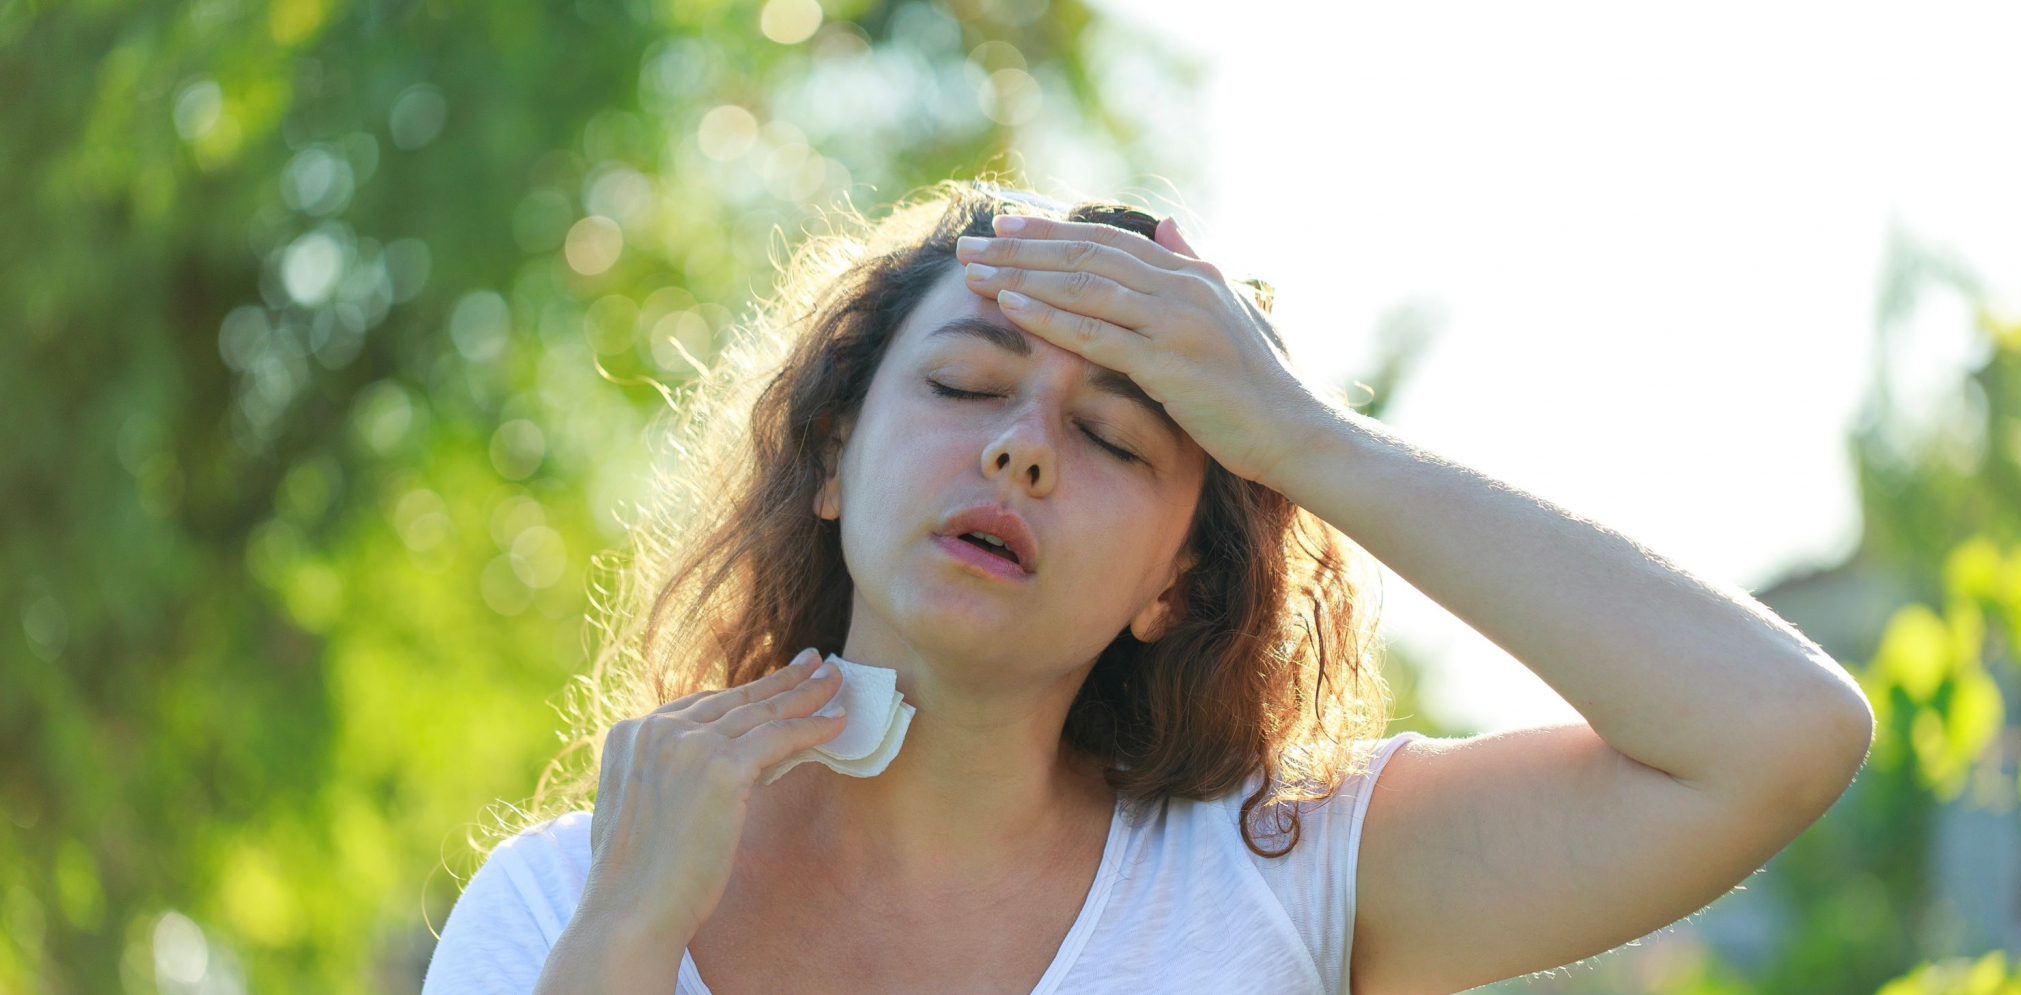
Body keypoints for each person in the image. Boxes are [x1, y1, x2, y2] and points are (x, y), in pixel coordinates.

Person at [419, 178, 1875, 995]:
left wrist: (1300, 437)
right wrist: (624, 943)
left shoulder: (1278, 874)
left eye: (1115, 437)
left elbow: (1777, 735)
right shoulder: (565, 900)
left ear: (1175, 586)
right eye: (965, 383)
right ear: (832, 459)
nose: (1020, 448)